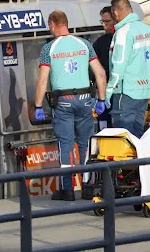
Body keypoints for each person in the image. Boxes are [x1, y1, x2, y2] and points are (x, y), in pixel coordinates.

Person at [34, 11, 107, 201]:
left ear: (52, 24)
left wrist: (38, 105)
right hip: (85, 99)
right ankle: (87, 187)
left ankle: (67, 190)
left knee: (65, 145)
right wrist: (101, 99)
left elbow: (42, 80)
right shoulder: (85, 44)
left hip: (63, 101)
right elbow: (100, 73)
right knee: (86, 144)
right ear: (66, 23)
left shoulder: (48, 48)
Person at [107, 0, 150, 138]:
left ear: (116, 13)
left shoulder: (123, 33)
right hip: (144, 91)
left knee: (122, 137)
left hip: (126, 92)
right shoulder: (149, 31)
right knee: (137, 135)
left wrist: (109, 91)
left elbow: (119, 65)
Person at [92, 6, 115, 129]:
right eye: (103, 22)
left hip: (122, 92)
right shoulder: (100, 43)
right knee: (103, 123)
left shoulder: (125, 39)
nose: (104, 26)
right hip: (104, 92)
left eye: (107, 22)